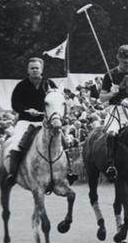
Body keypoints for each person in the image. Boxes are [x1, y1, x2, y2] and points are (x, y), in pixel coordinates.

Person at [6, 58, 76, 186]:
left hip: (45, 122)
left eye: (37, 68)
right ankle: (13, 173)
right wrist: (27, 110)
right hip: (26, 121)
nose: (34, 70)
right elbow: (15, 104)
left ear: (41, 69)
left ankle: (69, 171)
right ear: (28, 70)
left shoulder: (49, 83)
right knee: (16, 143)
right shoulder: (21, 85)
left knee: (64, 142)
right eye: (32, 68)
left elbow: (57, 99)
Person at [100, 45, 128, 181]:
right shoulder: (109, 75)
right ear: (119, 60)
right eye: (125, 62)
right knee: (112, 133)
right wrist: (111, 94)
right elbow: (102, 98)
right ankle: (111, 164)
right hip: (115, 109)